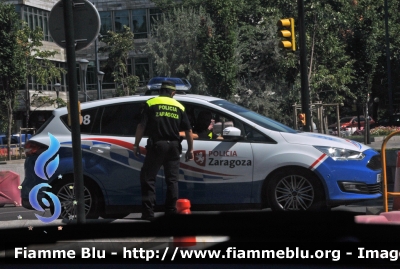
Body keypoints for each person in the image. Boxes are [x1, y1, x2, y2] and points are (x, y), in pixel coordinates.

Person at [134, 80, 194, 221]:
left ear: (160, 91)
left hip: (157, 146)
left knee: (148, 179)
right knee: (172, 181)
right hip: (173, 146)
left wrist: (136, 145)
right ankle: (171, 212)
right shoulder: (179, 106)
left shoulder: (151, 103)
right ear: (173, 92)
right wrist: (191, 149)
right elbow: (189, 130)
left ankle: (148, 213)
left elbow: (141, 126)